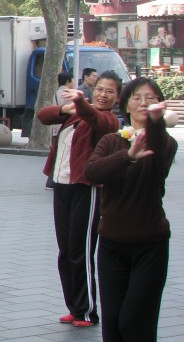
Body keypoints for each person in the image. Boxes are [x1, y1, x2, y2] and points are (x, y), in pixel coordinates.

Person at [84, 78, 177, 342]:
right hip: (112, 245)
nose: (143, 103)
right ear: (125, 105)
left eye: (150, 98)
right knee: (112, 324)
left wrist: (156, 123)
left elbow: (159, 147)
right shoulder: (111, 142)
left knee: (135, 323)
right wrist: (128, 156)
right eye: (137, 97)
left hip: (149, 245)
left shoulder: (165, 143)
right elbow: (91, 171)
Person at [36, 70, 122, 328]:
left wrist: (82, 105)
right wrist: (67, 109)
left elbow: (99, 121)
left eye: (110, 91)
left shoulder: (108, 120)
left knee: (81, 252)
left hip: (87, 188)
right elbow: (43, 115)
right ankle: (74, 307)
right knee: (65, 251)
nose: (103, 94)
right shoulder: (76, 115)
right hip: (62, 185)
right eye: (100, 89)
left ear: (117, 98)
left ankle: (87, 311)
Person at [44, 72, 77, 189]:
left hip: (55, 129)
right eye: (73, 79)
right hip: (65, 129)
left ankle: (51, 181)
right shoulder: (67, 94)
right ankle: (52, 181)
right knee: (60, 155)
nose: (74, 82)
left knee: (56, 154)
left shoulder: (56, 93)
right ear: (68, 81)